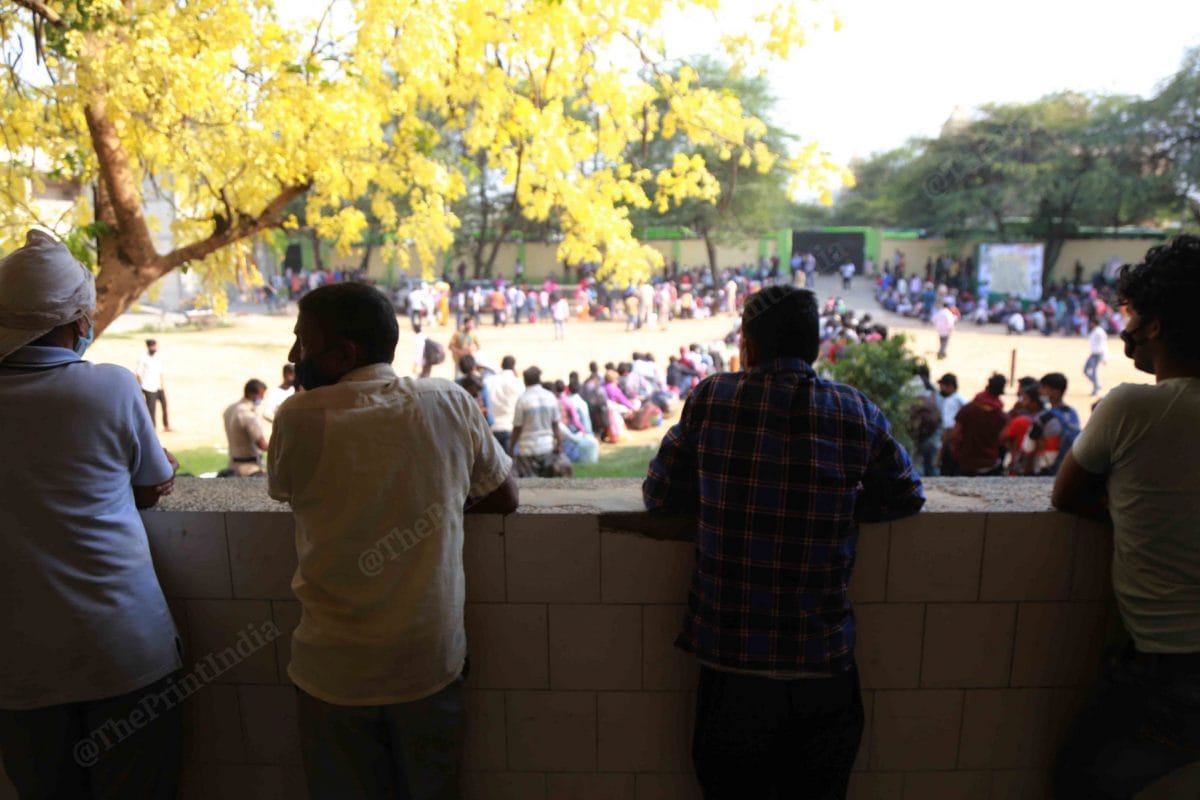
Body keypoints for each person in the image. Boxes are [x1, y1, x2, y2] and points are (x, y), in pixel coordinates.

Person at [643, 286, 925, 799]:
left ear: (747, 345)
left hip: (731, 662)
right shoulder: (854, 411)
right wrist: (840, 505)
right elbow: (906, 495)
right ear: (815, 346)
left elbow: (659, 496)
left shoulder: (712, 399)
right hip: (821, 660)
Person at [267, 282, 518, 798]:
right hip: (428, 659)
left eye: (303, 342)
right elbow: (504, 496)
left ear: (344, 354)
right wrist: (441, 494)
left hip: (332, 669)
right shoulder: (447, 401)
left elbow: (287, 490)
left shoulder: (297, 418)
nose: (294, 356)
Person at [0, 230, 182, 798]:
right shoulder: (108, 388)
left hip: (18, 669)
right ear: (80, 320)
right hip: (124, 652)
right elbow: (153, 486)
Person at [1052, 235, 1200, 799]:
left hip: (1168, 669)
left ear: (1156, 324)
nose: (1125, 327)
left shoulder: (1131, 407)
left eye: (1132, 313)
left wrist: (1132, 508)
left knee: (1078, 783)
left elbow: (1066, 495)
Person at [944, 374, 1007, 476]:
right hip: (990, 463)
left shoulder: (969, 409)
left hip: (966, 462)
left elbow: (955, 434)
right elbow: (1002, 439)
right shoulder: (1000, 416)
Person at [1021, 372, 1080, 477]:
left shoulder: (1044, 418)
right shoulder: (1072, 413)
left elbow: (1028, 447)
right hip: (1068, 468)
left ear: (1055, 392)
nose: (1040, 391)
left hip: (1046, 469)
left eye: (1044, 388)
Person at [509, 366, 565, 477]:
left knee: (531, 487)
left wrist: (511, 448)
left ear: (525, 381)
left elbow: (517, 428)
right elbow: (555, 425)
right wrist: (559, 444)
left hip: (527, 450)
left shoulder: (522, 400)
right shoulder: (550, 397)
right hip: (547, 447)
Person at [222, 379, 269, 477]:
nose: (262, 398)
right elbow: (262, 444)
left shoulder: (230, 409)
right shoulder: (247, 415)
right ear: (253, 395)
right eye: (261, 395)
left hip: (233, 465)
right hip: (250, 468)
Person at [484, 355, 523, 453]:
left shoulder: (489, 381)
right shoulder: (518, 383)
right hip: (510, 427)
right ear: (514, 366)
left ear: (502, 365)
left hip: (492, 428)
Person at [135, 337, 173, 432]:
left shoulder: (158, 357)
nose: (153, 348)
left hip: (158, 386)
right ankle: (152, 429)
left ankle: (166, 425)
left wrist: (162, 384)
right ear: (148, 347)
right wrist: (140, 386)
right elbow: (138, 373)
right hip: (148, 387)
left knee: (164, 406)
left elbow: (160, 371)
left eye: (154, 346)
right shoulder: (143, 358)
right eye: (151, 346)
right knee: (151, 409)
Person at [935, 373, 967, 475]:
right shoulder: (961, 399)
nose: (941, 389)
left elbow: (948, 429)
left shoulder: (951, 401)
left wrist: (940, 454)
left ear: (950, 386)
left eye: (942, 386)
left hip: (952, 446)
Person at [1083, 316, 1108, 396]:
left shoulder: (1100, 332)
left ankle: (1096, 389)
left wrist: (1104, 357)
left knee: (1094, 372)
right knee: (1086, 370)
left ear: (1095, 323)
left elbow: (1104, 345)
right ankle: (1097, 385)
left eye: (1091, 322)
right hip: (1093, 353)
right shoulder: (1094, 331)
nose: (1090, 324)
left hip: (1098, 354)